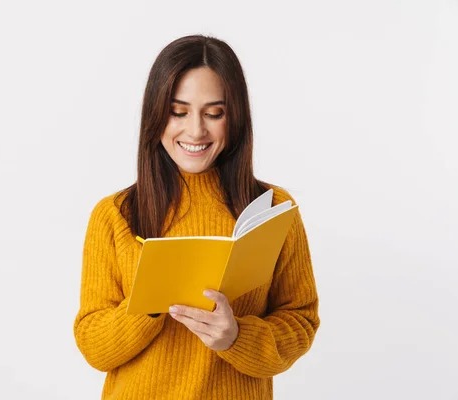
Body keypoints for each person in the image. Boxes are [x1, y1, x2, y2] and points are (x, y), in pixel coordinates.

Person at [73, 34, 320, 399]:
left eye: (214, 113)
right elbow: (93, 346)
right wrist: (151, 304)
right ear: (156, 114)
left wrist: (236, 336)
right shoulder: (115, 214)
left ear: (234, 117)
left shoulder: (272, 208)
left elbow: (300, 321)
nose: (195, 131)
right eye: (178, 111)